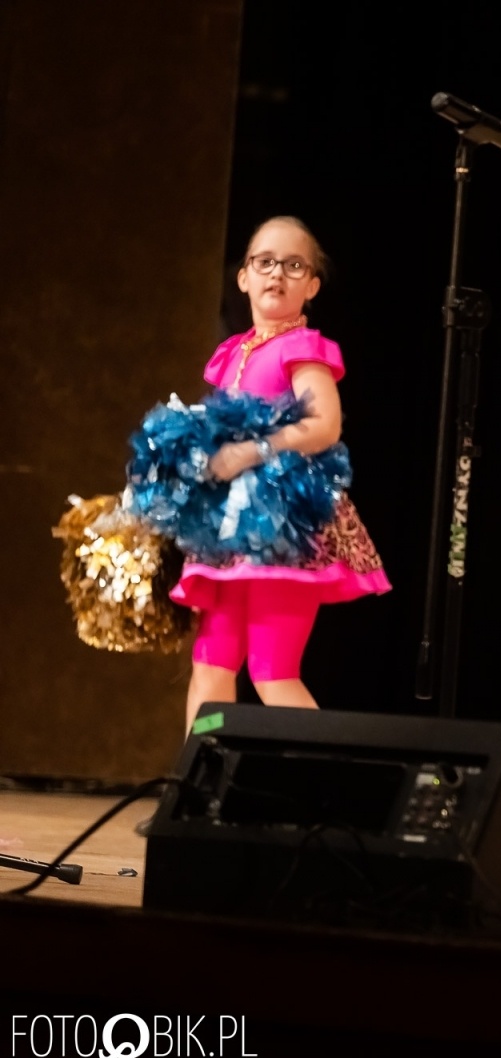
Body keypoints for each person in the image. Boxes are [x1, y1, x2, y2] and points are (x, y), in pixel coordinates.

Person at [174, 217, 389, 733]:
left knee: (272, 673)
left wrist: (254, 451)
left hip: (283, 526)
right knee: (210, 668)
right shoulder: (229, 355)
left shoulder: (304, 348)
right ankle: (198, 786)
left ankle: (323, 781)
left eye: (294, 266)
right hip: (226, 532)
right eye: (264, 262)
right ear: (244, 277)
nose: (277, 274)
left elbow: (325, 426)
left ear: (311, 286)